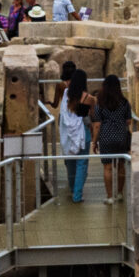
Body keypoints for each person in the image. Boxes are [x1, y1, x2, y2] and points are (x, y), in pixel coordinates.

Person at [55, 59, 92, 202]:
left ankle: (72, 187)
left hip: (68, 132)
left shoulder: (65, 94)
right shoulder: (88, 98)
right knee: (82, 163)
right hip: (84, 132)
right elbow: (93, 117)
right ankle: (77, 194)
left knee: (70, 161)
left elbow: (60, 110)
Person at [92, 72, 132, 200]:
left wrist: (94, 142)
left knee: (108, 167)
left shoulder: (100, 103)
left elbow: (97, 124)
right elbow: (128, 121)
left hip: (106, 137)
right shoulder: (124, 102)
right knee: (121, 165)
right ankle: (120, 193)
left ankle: (110, 197)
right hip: (121, 136)